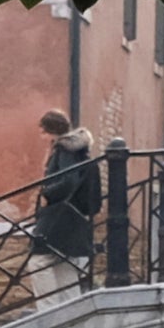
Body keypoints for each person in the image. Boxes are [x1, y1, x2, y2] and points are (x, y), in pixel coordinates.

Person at [28, 108, 102, 292]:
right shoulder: (76, 150)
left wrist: (47, 194)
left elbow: (69, 180)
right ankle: (69, 311)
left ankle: (49, 312)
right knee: (65, 264)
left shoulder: (64, 150)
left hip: (60, 214)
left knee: (38, 261)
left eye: (43, 131)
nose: (41, 135)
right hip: (72, 214)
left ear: (50, 130)